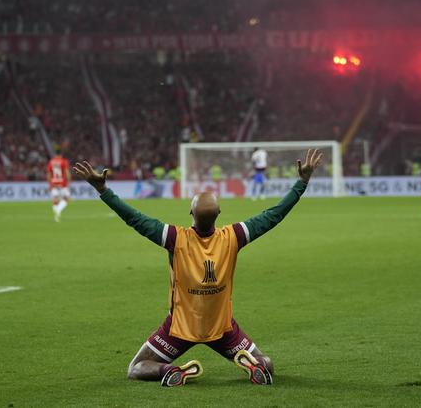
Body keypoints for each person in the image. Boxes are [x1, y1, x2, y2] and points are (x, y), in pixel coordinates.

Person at [73, 149, 324, 387]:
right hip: (223, 330)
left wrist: (103, 190)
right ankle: (256, 366)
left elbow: (135, 219)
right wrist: (301, 184)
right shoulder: (233, 237)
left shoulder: (175, 238)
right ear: (219, 213)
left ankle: (169, 370)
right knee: (266, 364)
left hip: (180, 328)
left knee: (137, 367)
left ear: (190, 212)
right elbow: (273, 215)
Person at [46, 146, 71, 222]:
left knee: (55, 200)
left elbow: (48, 174)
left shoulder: (51, 162)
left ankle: (56, 216)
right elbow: (67, 173)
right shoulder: (64, 161)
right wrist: (68, 182)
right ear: (61, 154)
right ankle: (58, 211)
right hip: (62, 183)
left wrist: (50, 184)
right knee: (66, 198)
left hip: (54, 183)